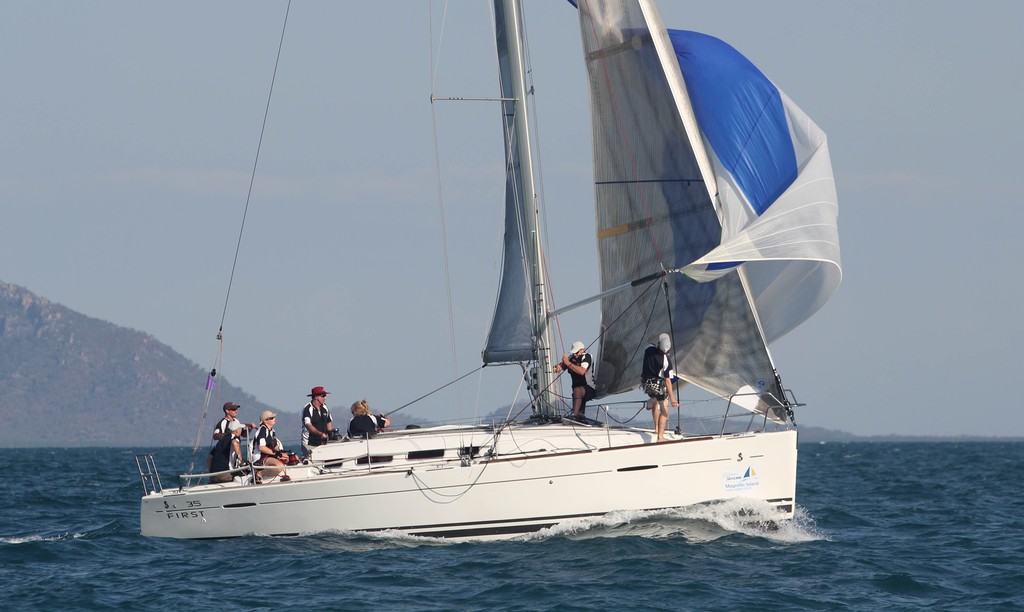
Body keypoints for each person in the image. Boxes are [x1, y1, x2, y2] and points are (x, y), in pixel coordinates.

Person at [641, 333, 678, 442]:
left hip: (646, 385)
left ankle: (656, 429)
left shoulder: (649, 349)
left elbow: (650, 344)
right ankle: (660, 437)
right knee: (664, 411)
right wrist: (673, 399)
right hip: (657, 386)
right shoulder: (666, 361)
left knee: (655, 402)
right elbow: (668, 381)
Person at [554, 340, 596, 421]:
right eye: (574, 353)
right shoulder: (572, 358)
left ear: (582, 350)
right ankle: (579, 414)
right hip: (577, 393)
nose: (575, 355)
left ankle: (574, 415)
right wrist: (551, 367)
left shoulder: (587, 357)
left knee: (577, 390)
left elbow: (582, 371)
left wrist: (568, 363)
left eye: (576, 353)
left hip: (589, 389)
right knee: (576, 391)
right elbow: (558, 368)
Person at [207, 401, 252, 470]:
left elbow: (244, 435)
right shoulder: (223, 423)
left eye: (236, 409)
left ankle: (240, 463)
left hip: (234, 448)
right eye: (234, 409)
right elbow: (215, 436)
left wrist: (250, 428)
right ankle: (212, 475)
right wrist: (230, 434)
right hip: (225, 447)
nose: (236, 411)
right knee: (210, 457)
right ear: (227, 411)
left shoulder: (236, 421)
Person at [251, 410, 290, 481]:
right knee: (279, 466)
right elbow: (261, 448)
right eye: (271, 418)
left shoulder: (272, 431)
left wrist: (282, 453)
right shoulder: (262, 431)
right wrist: (275, 454)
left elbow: (274, 445)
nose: (274, 419)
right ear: (265, 421)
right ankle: (259, 473)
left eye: (274, 417)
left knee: (290, 458)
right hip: (260, 457)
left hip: (268, 455)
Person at [300, 385, 334, 458]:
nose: (325, 398)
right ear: (316, 397)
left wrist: (331, 436)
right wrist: (320, 434)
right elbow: (308, 425)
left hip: (323, 443)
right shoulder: (307, 409)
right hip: (309, 444)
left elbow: (329, 422)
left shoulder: (325, 407)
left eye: (325, 396)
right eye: (323, 396)